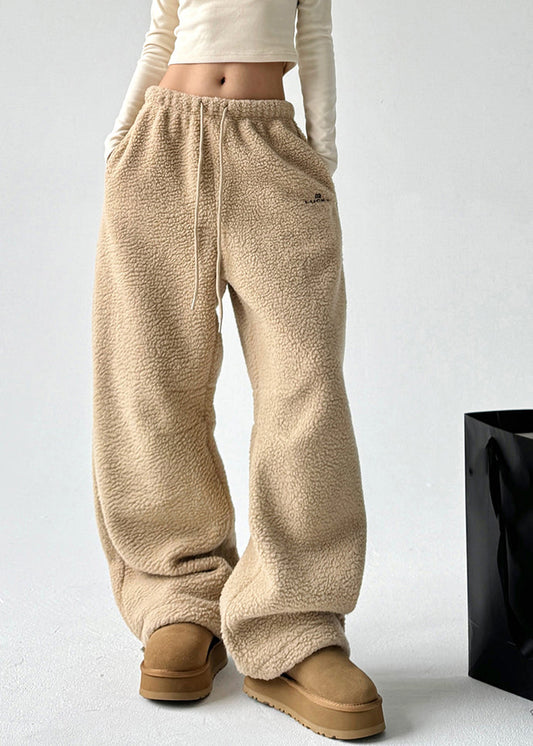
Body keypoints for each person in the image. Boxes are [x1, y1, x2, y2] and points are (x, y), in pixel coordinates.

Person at [92, 0, 385, 739]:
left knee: (305, 389)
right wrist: (121, 141)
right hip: (159, 147)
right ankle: (178, 595)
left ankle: (295, 622)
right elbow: (162, 34)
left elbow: (315, 36)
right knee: (150, 384)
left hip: (272, 150)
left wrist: (322, 154)